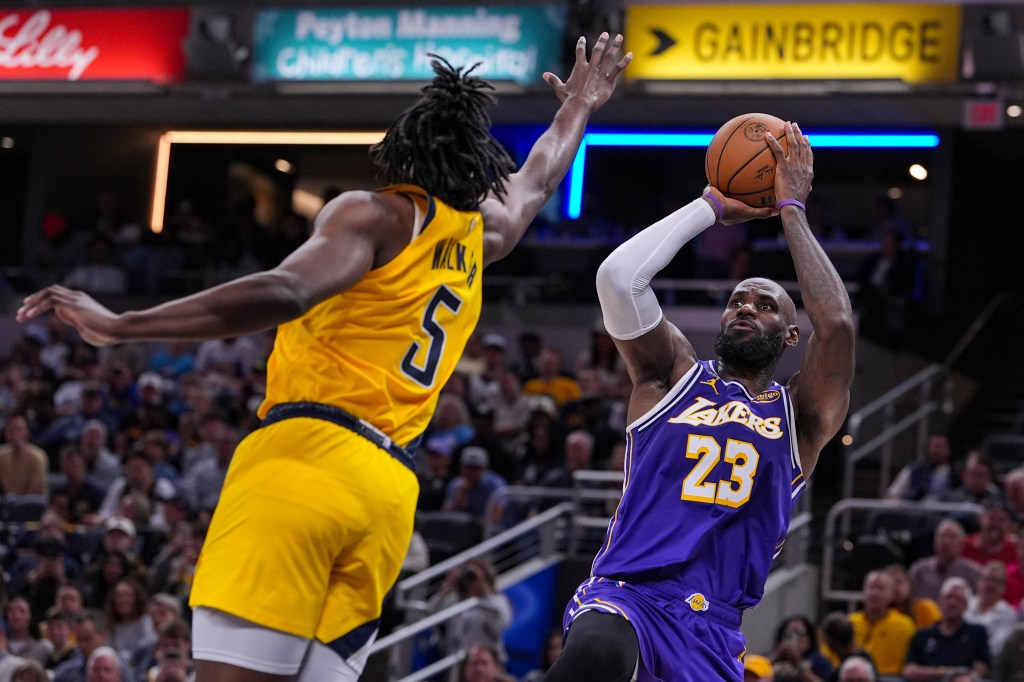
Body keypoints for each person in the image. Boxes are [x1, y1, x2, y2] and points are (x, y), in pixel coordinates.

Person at [18, 33, 633, 682]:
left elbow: (287, 289)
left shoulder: (376, 215)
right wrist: (580, 107)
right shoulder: (482, 235)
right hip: (389, 494)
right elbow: (535, 178)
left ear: (399, 153)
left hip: (305, 462)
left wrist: (122, 325)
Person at [544, 122, 855, 682]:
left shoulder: (800, 417)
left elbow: (835, 325)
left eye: (764, 304)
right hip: (628, 597)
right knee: (593, 655)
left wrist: (791, 209)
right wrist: (709, 206)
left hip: (712, 630)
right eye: (737, 299)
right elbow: (618, 279)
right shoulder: (671, 376)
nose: (744, 307)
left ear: (790, 336)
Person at [902, 577, 990, 681]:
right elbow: (909, 671)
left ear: (966, 605)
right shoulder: (922, 635)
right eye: (949, 597)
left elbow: (980, 669)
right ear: (940, 600)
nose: (952, 602)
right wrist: (947, 673)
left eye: (958, 599)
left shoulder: (977, 633)